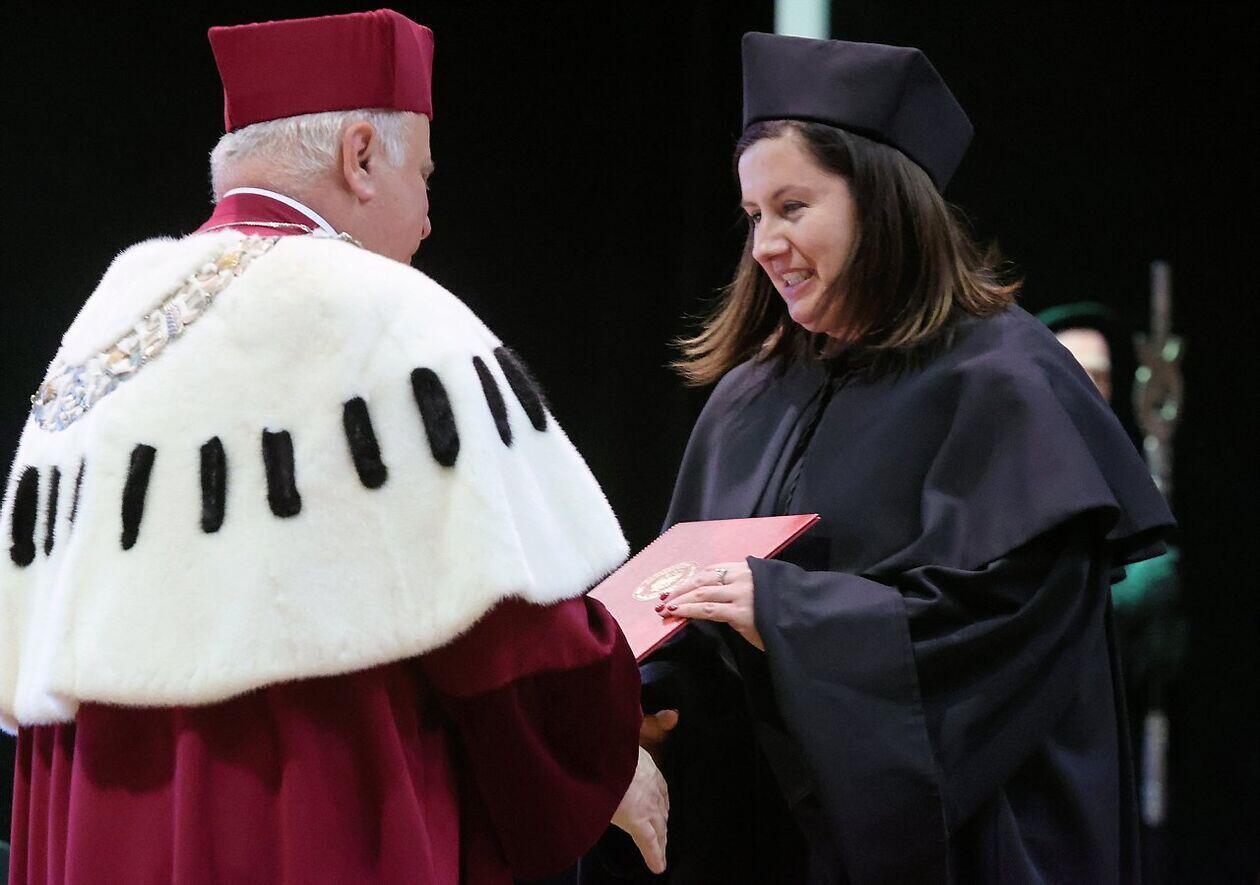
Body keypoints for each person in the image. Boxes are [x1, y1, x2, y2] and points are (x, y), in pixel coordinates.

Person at [1, 10, 667, 884]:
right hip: (308, 816)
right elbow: (506, 631)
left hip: (107, 829)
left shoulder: (105, 317)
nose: (427, 220)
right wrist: (607, 755)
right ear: (360, 156)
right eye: (423, 174)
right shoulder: (375, 311)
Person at [590, 33, 1175, 884]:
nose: (765, 244)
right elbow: (693, 611)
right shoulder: (749, 398)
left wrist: (786, 612)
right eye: (754, 215)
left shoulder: (1006, 383)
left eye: (793, 207)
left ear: (882, 199)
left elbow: (1004, 640)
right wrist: (650, 695)